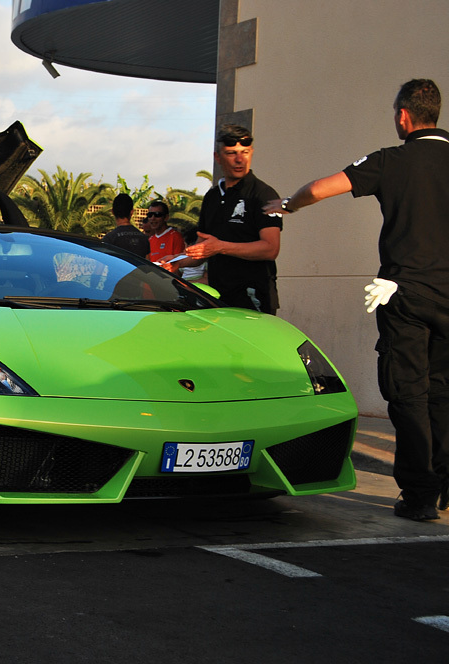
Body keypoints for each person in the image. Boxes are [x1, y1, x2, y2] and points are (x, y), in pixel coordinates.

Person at [264, 79, 449, 522]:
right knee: (443, 391)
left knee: (408, 394)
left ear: (404, 116)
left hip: (405, 293)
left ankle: (421, 495)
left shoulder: (392, 160)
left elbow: (323, 188)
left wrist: (287, 205)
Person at [183, 125, 282, 314]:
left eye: (244, 152)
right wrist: (176, 261)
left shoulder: (262, 194)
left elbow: (271, 248)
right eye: (231, 153)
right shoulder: (212, 197)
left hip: (253, 299)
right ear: (217, 157)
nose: (239, 159)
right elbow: (202, 248)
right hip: (217, 299)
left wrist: (220, 247)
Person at [101, 192, 149, 257]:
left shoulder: (109, 239)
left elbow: (101, 264)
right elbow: (148, 263)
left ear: (112, 212)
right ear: (132, 212)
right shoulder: (144, 238)